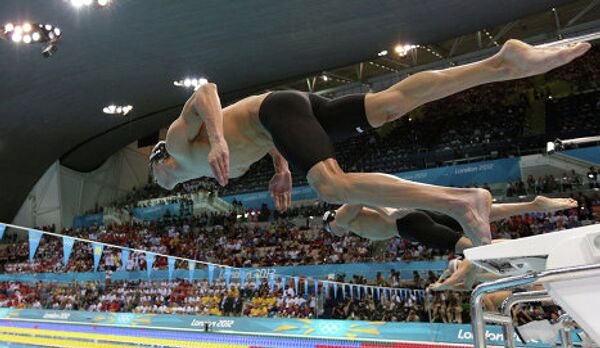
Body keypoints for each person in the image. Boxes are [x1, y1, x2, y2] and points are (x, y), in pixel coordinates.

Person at [149, 39, 590, 246]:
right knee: (389, 105)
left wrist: (218, 139)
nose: (156, 186)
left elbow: (206, 90)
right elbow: (263, 137)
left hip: (277, 109)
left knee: (331, 186)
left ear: (159, 161)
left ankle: (461, 200)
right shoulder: (212, 173)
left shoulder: (178, 144)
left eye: (154, 177)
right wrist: (282, 168)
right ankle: (501, 62)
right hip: (290, 114)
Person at [322, 196, 578, 253]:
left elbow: (354, 195)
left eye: (331, 230)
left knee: (469, 248)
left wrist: (387, 210)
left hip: (408, 225)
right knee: (477, 217)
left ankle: (527, 250)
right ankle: (533, 205)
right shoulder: (353, 221)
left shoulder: (342, 219)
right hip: (415, 213)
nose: (335, 234)